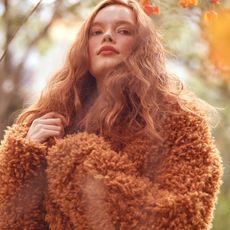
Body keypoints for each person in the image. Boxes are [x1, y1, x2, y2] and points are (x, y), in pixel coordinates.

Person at [0, 0, 223, 229]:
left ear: (142, 45)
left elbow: (180, 217)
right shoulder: (51, 119)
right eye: (96, 32)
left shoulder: (180, 121)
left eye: (123, 31)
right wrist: (24, 158)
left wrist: (76, 159)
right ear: (84, 47)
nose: (107, 36)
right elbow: (12, 220)